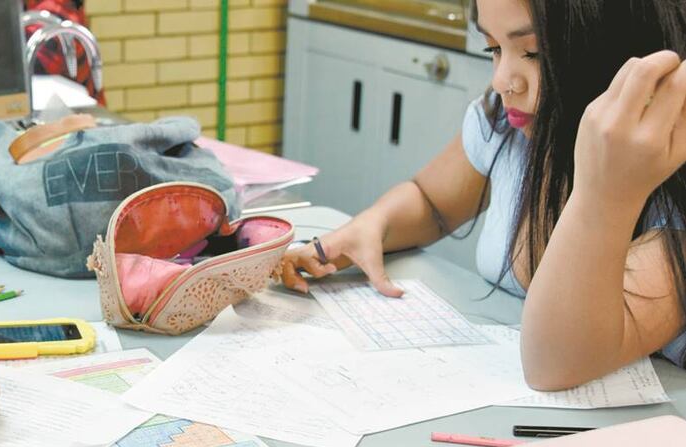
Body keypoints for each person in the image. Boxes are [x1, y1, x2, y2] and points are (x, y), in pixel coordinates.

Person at [280, 0, 686, 391]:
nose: (502, 80)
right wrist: (374, 224)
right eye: (494, 48)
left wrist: (605, 192)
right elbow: (432, 201)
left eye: (533, 53)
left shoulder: (666, 195)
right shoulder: (511, 125)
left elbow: (557, 364)